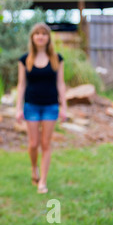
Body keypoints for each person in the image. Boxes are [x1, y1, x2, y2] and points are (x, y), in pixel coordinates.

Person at [15, 22, 67, 194]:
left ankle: (42, 181)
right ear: (32, 38)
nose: (40, 36)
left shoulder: (56, 59)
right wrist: (18, 108)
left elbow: (61, 84)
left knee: (46, 144)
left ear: (48, 38)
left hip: (51, 107)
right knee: (33, 143)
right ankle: (33, 169)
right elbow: (21, 85)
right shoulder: (25, 60)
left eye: (43, 33)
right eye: (37, 33)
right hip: (31, 106)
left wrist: (64, 107)